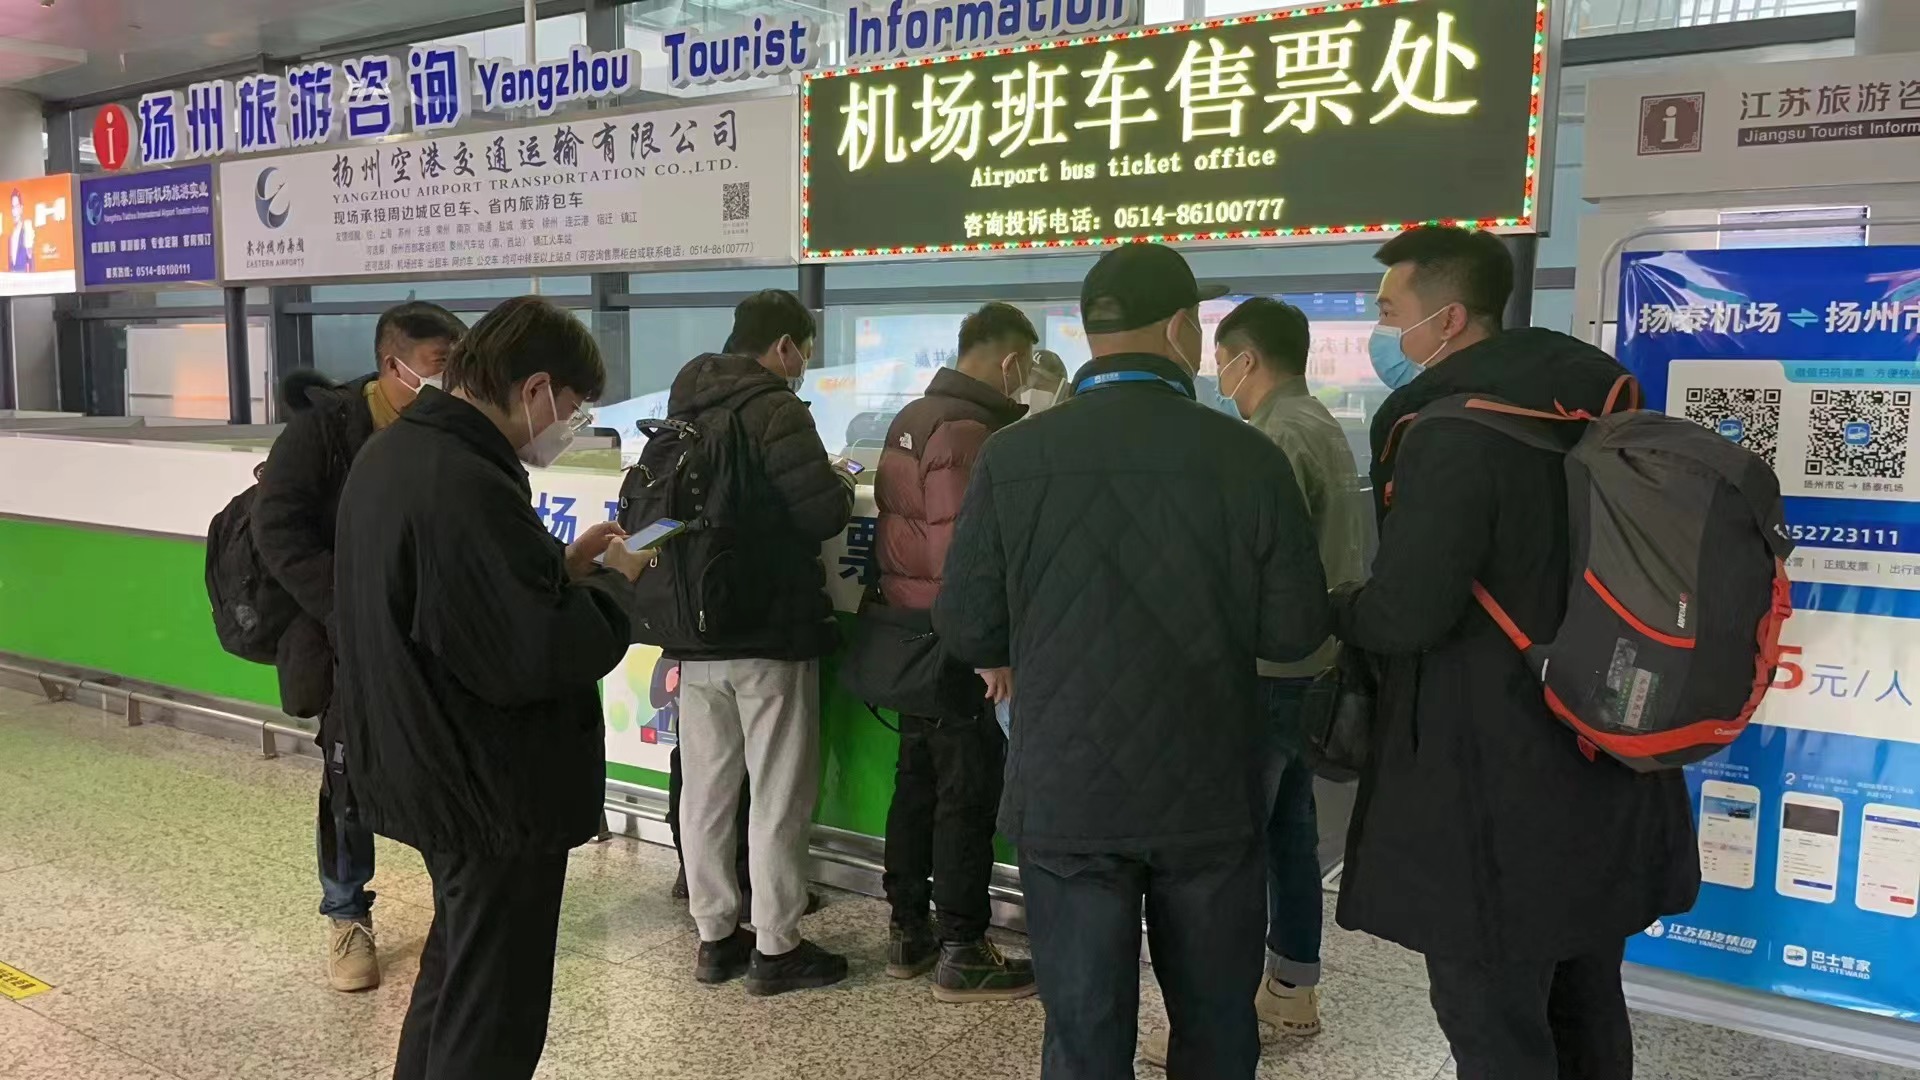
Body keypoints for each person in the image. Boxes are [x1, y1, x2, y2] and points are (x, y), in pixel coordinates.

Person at [935, 244, 1331, 1079]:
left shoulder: (1014, 456)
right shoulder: (1248, 456)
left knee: (1083, 1034)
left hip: (1067, 791)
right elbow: (1294, 631)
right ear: (1182, 329)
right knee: (1216, 1027)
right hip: (1208, 790)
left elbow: (969, 628)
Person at [1333, 226, 1699, 1080]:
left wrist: (1341, 607)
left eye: (1390, 312)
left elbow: (1406, 613)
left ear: (1450, 319)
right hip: (1604, 744)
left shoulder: (1451, 434)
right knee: (1587, 996)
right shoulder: (1607, 411)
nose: (1383, 331)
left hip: (1489, 780)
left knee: (1493, 1018)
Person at [330, 296, 651, 1080]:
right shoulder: (464, 480)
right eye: (573, 407)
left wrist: (559, 566)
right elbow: (536, 652)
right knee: (493, 1014)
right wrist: (615, 585)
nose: (571, 424)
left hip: (427, 763)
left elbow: (457, 603)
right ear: (535, 388)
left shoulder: (400, 452)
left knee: (454, 976)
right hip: (487, 789)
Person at [1141, 296, 1370, 1067]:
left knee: (1232, 849)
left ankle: (1224, 1017)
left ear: (1247, 359)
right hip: (1314, 669)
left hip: (1266, 672)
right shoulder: (1321, 424)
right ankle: (1292, 988)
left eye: (1222, 360)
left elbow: (1249, 568)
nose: (1217, 375)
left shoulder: (1273, 439)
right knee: (1290, 834)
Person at [251, 300, 466, 992]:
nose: (451, 379)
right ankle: (346, 914)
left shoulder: (451, 427)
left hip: (429, 633)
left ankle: (456, 909)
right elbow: (276, 528)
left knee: (440, 763)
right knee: (347, 773)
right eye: (439, 365)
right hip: (343, 634)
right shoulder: (326, 429)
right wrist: (347, 608)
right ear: (392, 365)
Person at [670, 289, 857, 995]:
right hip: (769, 629)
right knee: (778, 791)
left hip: (696, 629)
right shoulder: (777, 408)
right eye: (803, 350)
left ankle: (715, 938)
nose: (804, 363)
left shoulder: (687, 402)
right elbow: (822, 513)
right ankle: (777, 946)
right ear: (783, 346)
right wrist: (838, 480)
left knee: (707, 789)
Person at [875, 301, 1042, 1001]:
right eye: (1028, 367)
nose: (1027, 382)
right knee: (965, 793)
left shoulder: (914, 415)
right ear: (1010, 360)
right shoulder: (970, 431)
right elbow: (960, 553)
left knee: (915, 781)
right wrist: (986, 648)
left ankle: (908, 928)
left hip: (907, 633)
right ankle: (963, 946)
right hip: (955, 640)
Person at [8, 189, 33, 273]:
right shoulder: (11, 234)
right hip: (12, 275)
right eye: (13, 207)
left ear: (21, 208)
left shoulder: (27, 227)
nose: (14, 211)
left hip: (23, 275)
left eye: (17, 206)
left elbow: (30, 256)